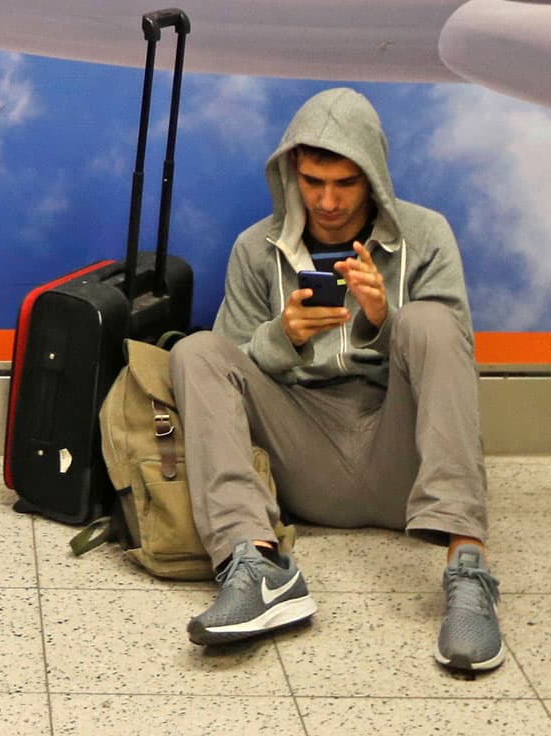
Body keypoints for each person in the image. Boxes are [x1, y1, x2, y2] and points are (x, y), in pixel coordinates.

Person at [169, 87, 501, 675]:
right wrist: (283, 336)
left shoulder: (426, 237)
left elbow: (454, 359)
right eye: (312, 181)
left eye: (344, 184)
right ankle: (257, 565)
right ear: (291, 173)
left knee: (432, 321)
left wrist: (381, 322)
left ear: (372, 178)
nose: (326, 201)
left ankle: (468, 571)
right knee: (196, 350)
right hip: (302, 462)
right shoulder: (255, 247)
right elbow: (228, 369)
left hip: (404, 466)